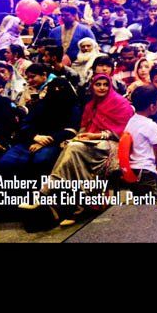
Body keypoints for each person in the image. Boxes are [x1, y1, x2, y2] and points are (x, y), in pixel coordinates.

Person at [35, 74, 135, 219]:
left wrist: (97, 136)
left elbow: (124, 131)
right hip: (90, 144)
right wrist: (77, 137)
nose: (102, 88)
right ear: (92, 87)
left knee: (75, 148)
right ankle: (77, 203)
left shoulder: (120, 103)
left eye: (105, 85)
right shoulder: (90, 105)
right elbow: (84, 128)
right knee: (72, 147)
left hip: (113, 145)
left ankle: (46, 192)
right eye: (98, 84)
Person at [0, 63, 80, 184]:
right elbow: (25, 123)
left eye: (60, 90)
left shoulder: (73, 107)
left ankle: (38, 195)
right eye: (53, 90)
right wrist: (35, 137)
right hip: (31, 140)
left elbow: (71, 130)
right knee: (6, 161)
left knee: (41, 160)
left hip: (54, 142)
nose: (57, 93)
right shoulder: (42, 104)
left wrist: (46, 141)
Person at [122, 84, 157, 197]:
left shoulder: (131, 121)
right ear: (152, 106)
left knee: (139, 202)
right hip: (146, 171)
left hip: (133, 169)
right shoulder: (150, 125)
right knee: (150, 204)